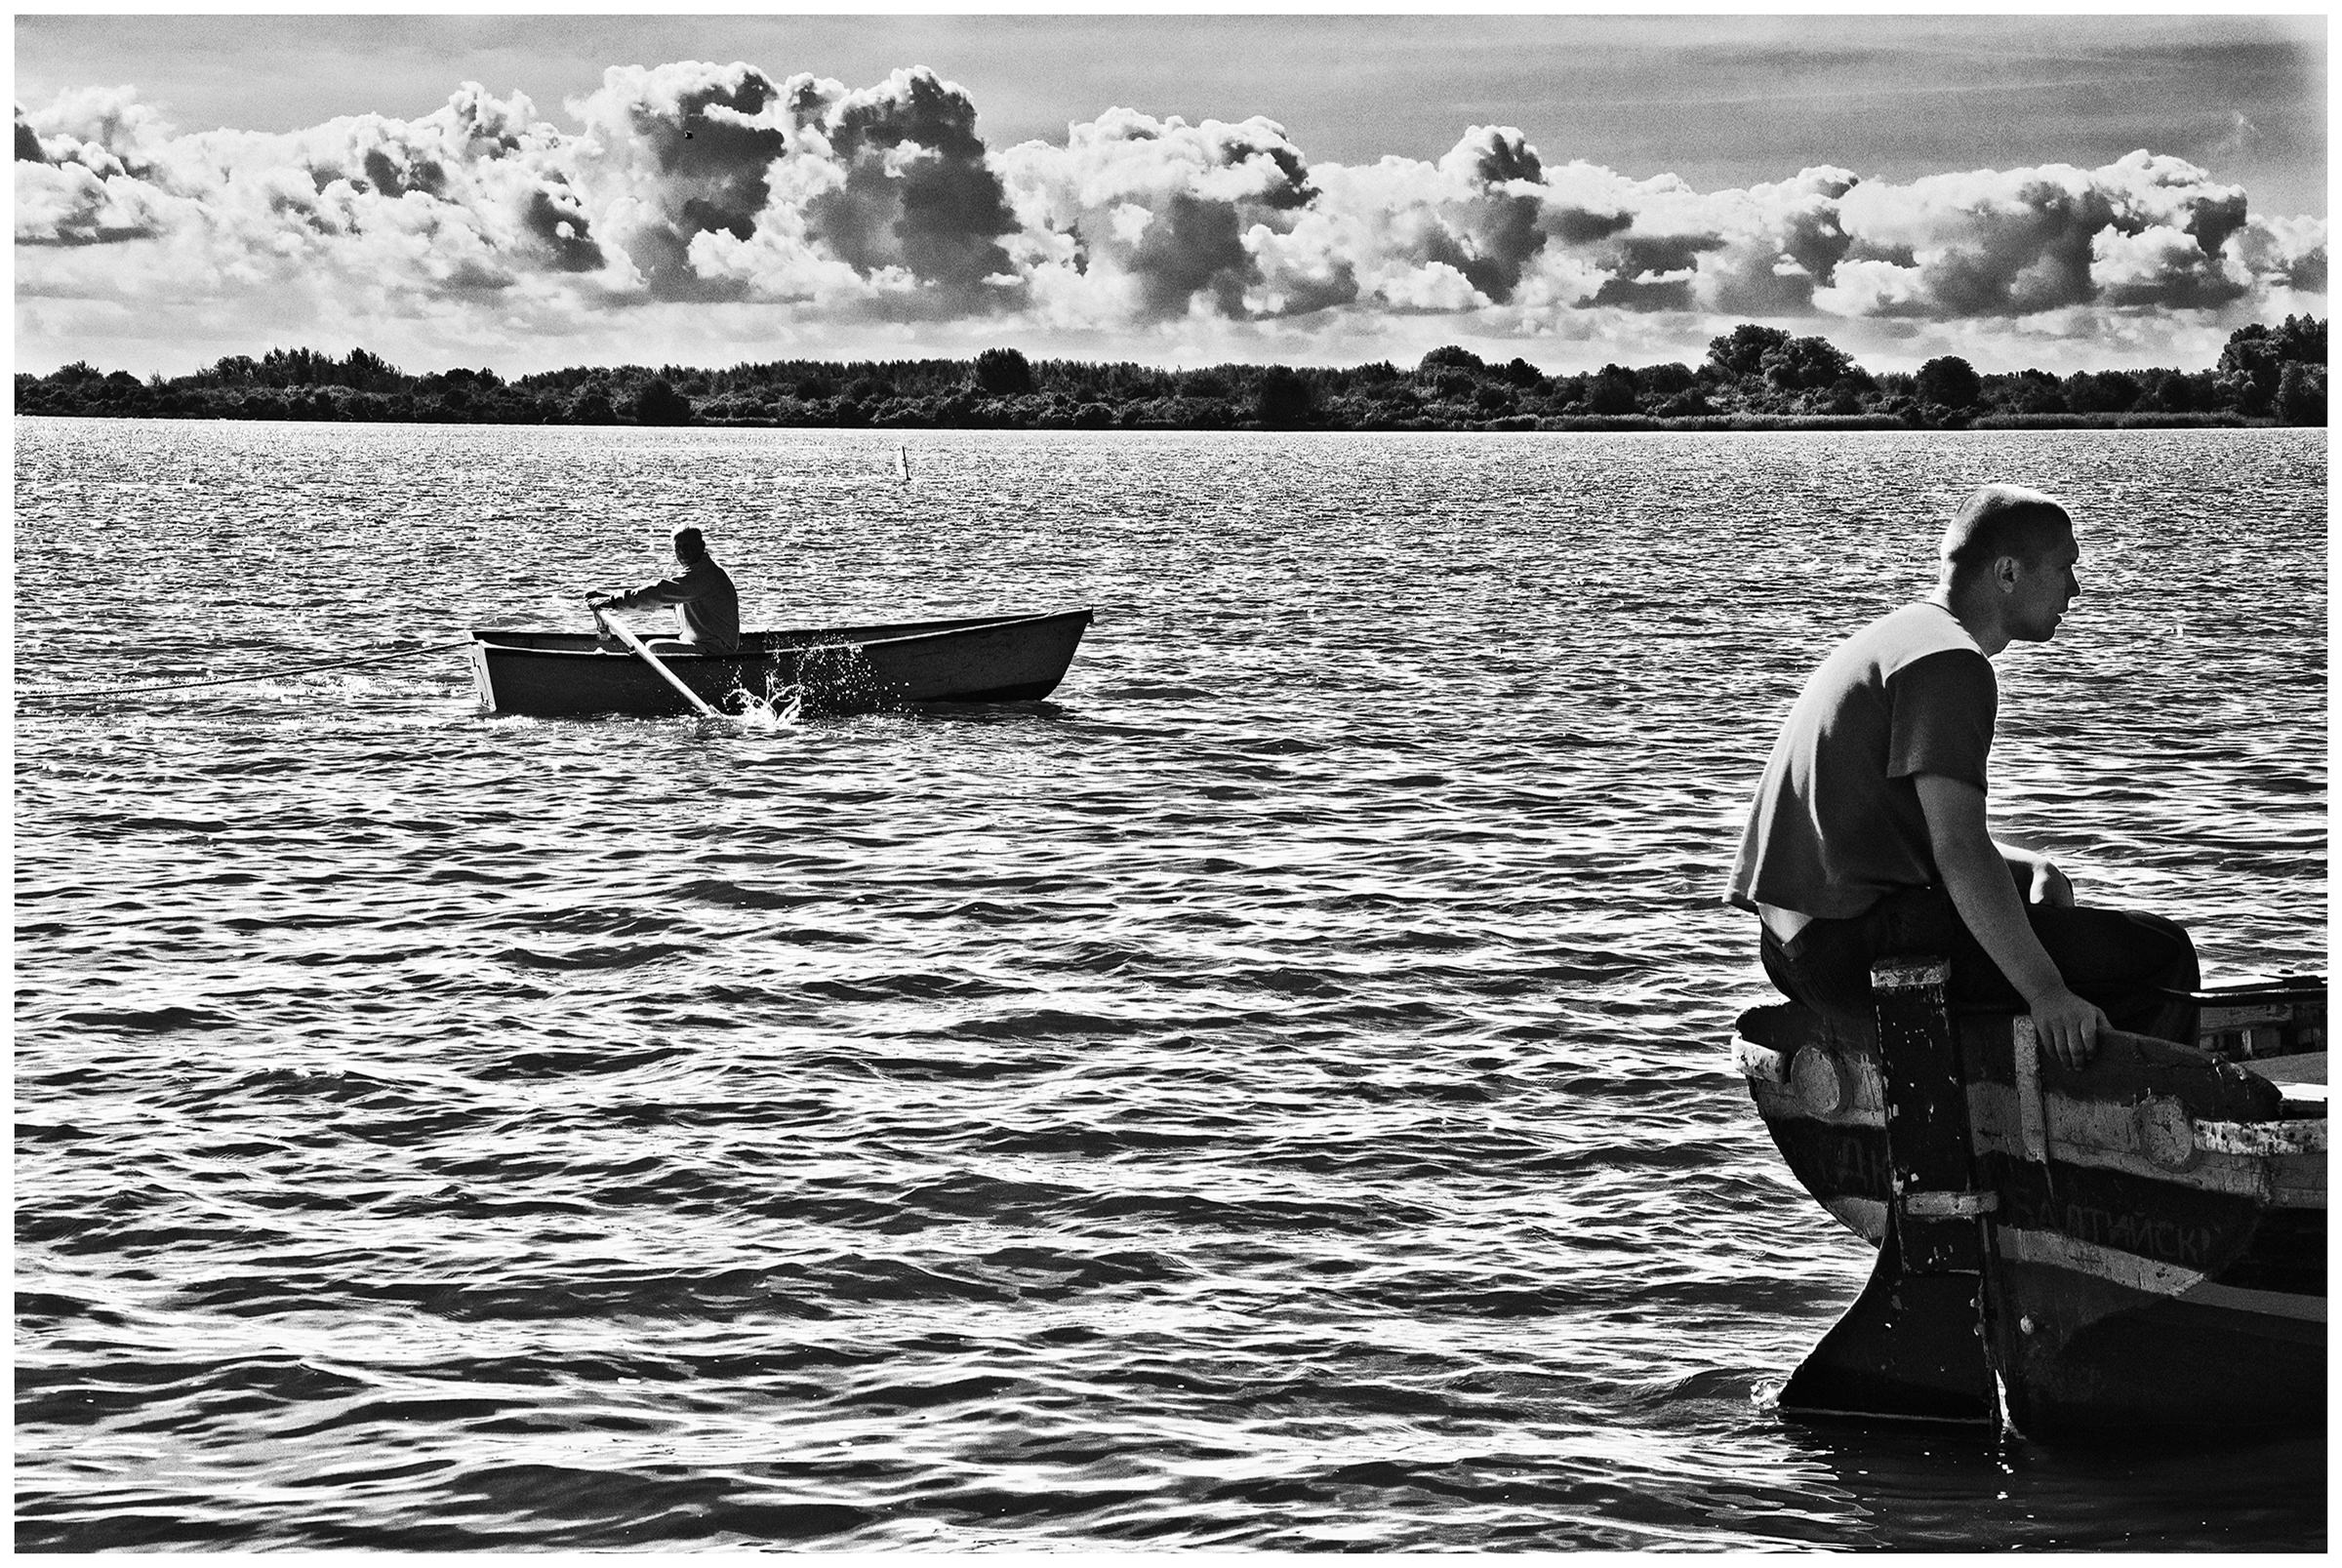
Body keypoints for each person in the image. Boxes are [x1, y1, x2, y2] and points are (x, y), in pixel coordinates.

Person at [1725, 483, 2197, 1067]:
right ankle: (2135, 1128)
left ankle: (2012, 1086)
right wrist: (2048, 993)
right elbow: (1960, 851)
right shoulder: (1950, 664)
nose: (2076, 588)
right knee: (2161, 954)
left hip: (1792, 947)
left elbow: (1915, 838)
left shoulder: (1906, 636)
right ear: (2007, 574)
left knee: (2030, 913)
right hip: (1844, 950)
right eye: (2065, 567)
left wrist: (2032, 869)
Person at [586, 525, 740, 657]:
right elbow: (654, 602)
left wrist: (613, 602)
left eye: (687, 546)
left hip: (715, 652)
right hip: (702, 647)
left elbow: (658, 593)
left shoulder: (704, 575)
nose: (682, 552)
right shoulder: (693, 577)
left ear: (702, 546)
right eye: (678, 548)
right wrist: (608, 599)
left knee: (654, 648)